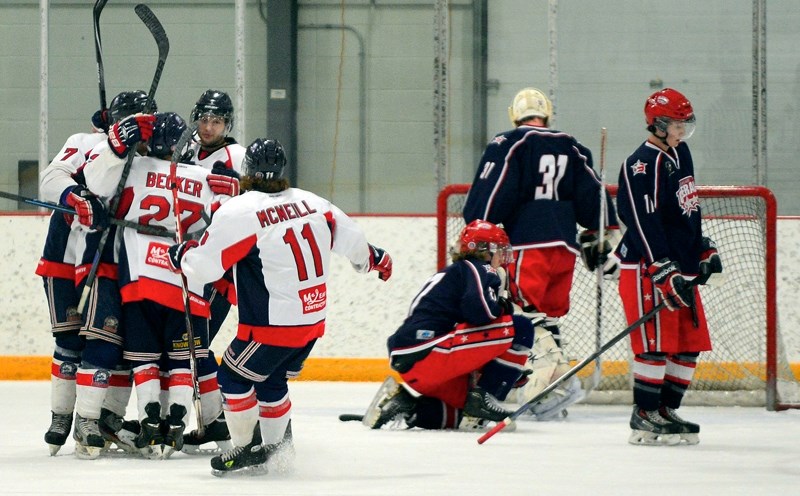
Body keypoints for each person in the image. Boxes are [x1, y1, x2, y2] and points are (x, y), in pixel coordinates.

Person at [166, 138, 392, 477]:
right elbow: (355, 241)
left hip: (272, 326)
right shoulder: (312, 201)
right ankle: (277, 449)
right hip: (313, 322)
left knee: (232, 374)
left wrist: (182, 257)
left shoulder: (241, 210)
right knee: (271, 380)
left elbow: (207, 268)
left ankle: (246, 449)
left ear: (247, 172)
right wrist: (373, 260)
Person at [83, 111, 238, 459]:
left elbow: (94, 188)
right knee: (184, 360)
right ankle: (180, 423)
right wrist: (236, 190)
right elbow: (230, 222)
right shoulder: (205, 178)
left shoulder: (131, 170)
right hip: (188, 284)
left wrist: (114, 146)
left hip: (141, 283)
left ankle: (152, 424)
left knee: (145, 360)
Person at [462, 87, 619, 414]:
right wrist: (600, 232)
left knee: (520, 309)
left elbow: (488, 199)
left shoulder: (510, 142)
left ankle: (550, 379)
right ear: (546, 113)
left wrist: (477, 222)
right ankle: (553, 390)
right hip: (565, 246)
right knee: (545, 315)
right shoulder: (572, 145)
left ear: (513, 115)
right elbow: (595, 200)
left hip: (528, 242)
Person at [37, 90, 154, 457]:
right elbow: (52, 177)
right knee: (69, 343)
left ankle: (99, 417)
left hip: (111, 260)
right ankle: (62, 415)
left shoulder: (147, 159)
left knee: (111, 342)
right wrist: (74, 196)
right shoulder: (86, 142)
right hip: (64, 253)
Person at [615, 88, 722, 446]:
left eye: (685, 126)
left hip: (682, 268)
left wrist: (702, 247)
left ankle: (665, 409)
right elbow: (641, 220)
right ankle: (644, 413)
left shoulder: (681, 153)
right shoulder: (639, 164)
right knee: (655, 345)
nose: (682, 132)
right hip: (648, 267)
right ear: (658, 125)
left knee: (688, 344)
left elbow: (688, 206)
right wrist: (662, 267)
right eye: (677, 126)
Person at [364, 220, 534, 431]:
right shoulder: (479, 267)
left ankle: (407, 406)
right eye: (499, 250)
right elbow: (479, 312)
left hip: (413, 360)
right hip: (430, 350)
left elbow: (469, 324)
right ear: (484, 250)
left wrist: (507, 371)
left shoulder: (457, 271)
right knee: (522, 328)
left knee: (467, 417)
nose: (502, 256)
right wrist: (504, 307)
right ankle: (483, 397)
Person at [179, 89, 247, 454]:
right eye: (204, 119)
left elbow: (249, 203)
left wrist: (235, 187)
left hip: (217, 270)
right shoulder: (184, 150)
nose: (208, 127)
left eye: (216, 121)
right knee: (189, 344)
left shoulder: (237, 155)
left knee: (194, 343)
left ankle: (219, 419)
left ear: (227, 124)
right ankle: (210, 420)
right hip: (183, 263)